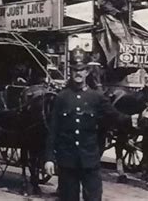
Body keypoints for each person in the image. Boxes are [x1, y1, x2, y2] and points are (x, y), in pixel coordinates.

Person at [44, 47, 130, 201]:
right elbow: (53, 130)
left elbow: (115, 116)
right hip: (67, 162)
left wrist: (133, 119)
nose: (78, 73)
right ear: (70, 71)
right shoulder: (62, 98)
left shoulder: (96, 98)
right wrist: (49, 158)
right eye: (75, 70)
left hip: (90, 161)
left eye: (82, 69)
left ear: (87, 71)